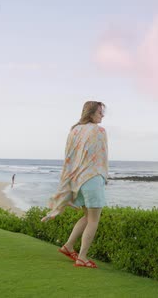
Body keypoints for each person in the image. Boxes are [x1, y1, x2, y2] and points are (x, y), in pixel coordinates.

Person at [41, 101, 108, 269]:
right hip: (92, 178)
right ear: (91, 113)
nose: (102, 115)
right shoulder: (99, 131)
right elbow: (102, 158)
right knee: (94, 220)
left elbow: (70, 157)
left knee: (87, 216)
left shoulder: (74, 130)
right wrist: (104, 178)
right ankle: (82, 257)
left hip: (78, 180)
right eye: (100, 112)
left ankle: (68, 246)